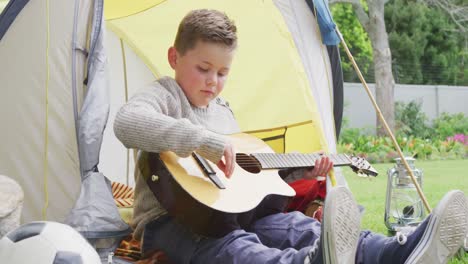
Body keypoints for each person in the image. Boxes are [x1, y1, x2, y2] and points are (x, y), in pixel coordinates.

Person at [114, 9, 468, 264]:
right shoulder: (165, 95)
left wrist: (301, 172)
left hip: (236, 212)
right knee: (235, 247)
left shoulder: (224, 110)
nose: (213, 81)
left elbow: (245, 181)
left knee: (300, 228)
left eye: (223, 72)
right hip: (170, 222)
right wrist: (205, 140)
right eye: (203, 69)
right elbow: (127, 123)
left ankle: (397, 252)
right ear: (174, 57)